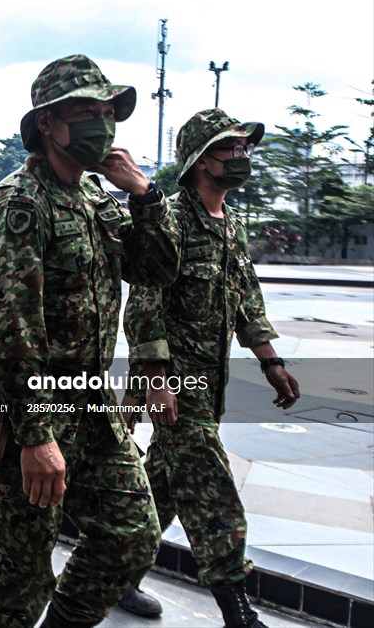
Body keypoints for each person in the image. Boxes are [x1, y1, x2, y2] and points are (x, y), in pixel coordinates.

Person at [0, 55, 182, 628]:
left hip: (92, 408)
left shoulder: (97, 200)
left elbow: (157, 270)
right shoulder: (20, 203)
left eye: (108, 112)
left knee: (133, 533)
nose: (103, 123)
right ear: (46, 123)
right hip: (30, 415)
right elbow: (8, 331)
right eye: (86, 112)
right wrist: (36, 436)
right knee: (16, 578)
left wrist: (143, 195)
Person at [122, 109, 300, 628]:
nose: (244, 158)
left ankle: (112, 572)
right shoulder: (171, 221)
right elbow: (145, 304)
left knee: (165, 485)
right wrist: (155, 381)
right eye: (233, 150)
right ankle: (237, 609)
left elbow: (245, 299)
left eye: (247, 149)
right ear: (201, 161)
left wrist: (271, 361)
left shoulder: (231, 225)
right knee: (213, 490)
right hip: (176, 383)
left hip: (209, 382)